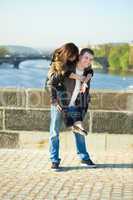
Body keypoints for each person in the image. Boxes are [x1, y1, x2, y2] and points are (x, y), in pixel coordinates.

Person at [46, 44, 96, 171]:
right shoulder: (66, 66)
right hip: (60, 105)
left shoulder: (87, 70)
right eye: (86, 58)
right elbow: (52, 82)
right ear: (78, 57)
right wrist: (54, 101)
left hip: (77, 105)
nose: (88, 61)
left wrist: (86, 79)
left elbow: (90, 71)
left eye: (90, 59)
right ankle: (54, 160)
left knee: (79, 131)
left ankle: (84, 158)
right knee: (54, 132)